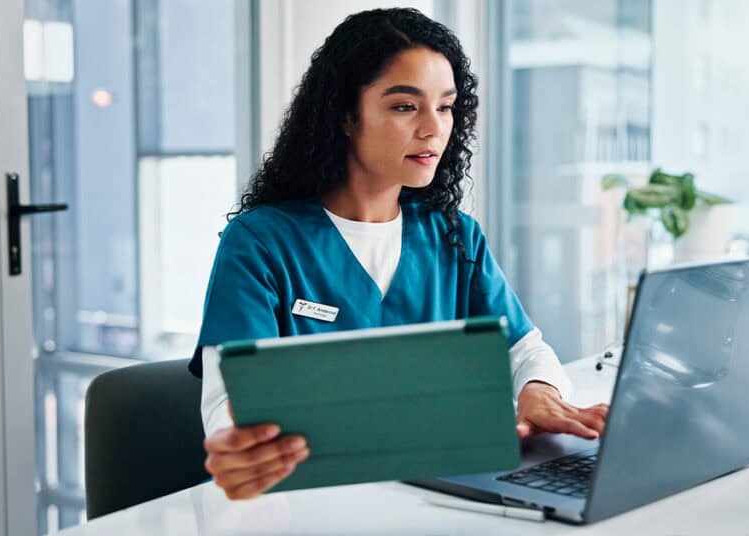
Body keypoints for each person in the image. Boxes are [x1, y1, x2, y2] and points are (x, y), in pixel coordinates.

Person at [194, 7, 608, 501]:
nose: (434, 129)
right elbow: (229, 397)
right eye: (405, 107)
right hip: (306, 503)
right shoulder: (261, 243)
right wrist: (237, 446)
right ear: (346, 115)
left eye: (447, 106)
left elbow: (524, 349)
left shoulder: (454, 236)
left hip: (435, 497)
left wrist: (539, 390)